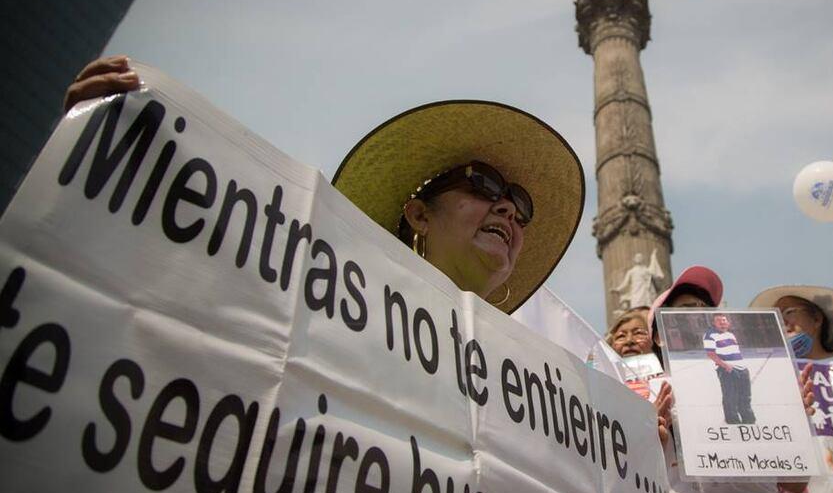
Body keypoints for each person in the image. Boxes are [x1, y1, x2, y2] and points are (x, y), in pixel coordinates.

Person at [63, 57, 585, 313]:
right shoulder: (316, 297)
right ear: (419, 214)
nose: (508, 211)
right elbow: (176, 298)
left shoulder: (536, 394)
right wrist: (121, 160)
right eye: (484, 186)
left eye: (520, 209)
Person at [650, 266, 813, 493]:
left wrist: (796, 423)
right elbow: (632, 483)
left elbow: (794, 483)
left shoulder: (761, 384)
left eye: (706, 310)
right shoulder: (650, 392)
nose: (700, 316)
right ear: (659, 334)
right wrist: (649, 437)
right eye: (686, 310)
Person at [749, 285, 833, 361]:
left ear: (816, 319)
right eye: (775, 316)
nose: (781, 321)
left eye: (789, 312)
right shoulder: (771, 369)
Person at [703, 313, 754, 424]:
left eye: (724, 320)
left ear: (728, 323)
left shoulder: (731, 334)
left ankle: (749, 419)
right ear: (713, 323)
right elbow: (711, 354)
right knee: (730, 397)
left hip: (742, 369)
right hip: (727, 371)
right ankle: (733, 421)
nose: (722, 323)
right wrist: (726, 366)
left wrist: (743, 366)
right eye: (719, 321)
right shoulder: (710, 335)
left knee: (745, 396)